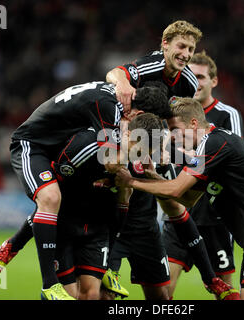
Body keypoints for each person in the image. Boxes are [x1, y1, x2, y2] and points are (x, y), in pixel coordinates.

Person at [0, 81, 169, 299]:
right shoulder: (109, 111)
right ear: (138, 113)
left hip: (68, 165)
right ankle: (39, 273)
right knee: (52, 197)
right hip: (33, 144)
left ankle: (106, 266)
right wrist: (135, 165)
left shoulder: (116, 107)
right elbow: (110, 162)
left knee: (119, 192)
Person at [115, 97, 244, 300]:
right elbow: (187, 199)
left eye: (175, 129)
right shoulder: (210, 149)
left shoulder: (214, 142)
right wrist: (153, 177)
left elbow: (176, 189)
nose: (173, 137)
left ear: (194, 123)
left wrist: (130, 181)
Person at [52, 113, 166, 299]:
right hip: (68, 223)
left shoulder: (127, 165)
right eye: (139, 151)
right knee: (67, 294)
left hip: (99, 229)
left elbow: (123, 205)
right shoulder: (91, 145)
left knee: (93, 294)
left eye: (145, 152)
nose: (141, 157)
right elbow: (51, 192)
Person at [161, 51, 244, 298]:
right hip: (179, 215)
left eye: (201, 76)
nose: (196, 82)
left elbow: (234, 160)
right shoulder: (174, 111)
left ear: (214, 81)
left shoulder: (228, 115)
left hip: (215, 216)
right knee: (163, 291)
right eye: (191, 76)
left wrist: (189, 157)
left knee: (224, 290)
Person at [106, 20, 202, 112]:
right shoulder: (153, 65)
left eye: (191, 49)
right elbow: (114, 73)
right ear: (165, 43)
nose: (186, 54)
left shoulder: (190, 83)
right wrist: (123, 84)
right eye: (181, 46)